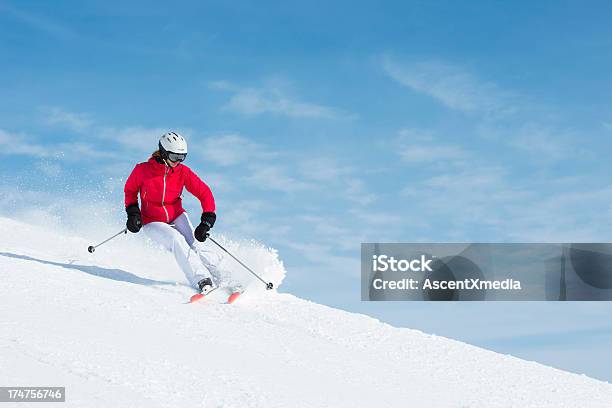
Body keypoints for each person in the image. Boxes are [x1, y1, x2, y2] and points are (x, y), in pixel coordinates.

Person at [123, 131, 219, 293]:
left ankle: (222, 275)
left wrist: (207, 220)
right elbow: (130, 192)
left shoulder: (183, 172)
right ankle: (201, 279)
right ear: (163, 153)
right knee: (176, 240)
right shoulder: (142, 170)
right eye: (174, 157)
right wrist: (133, 213)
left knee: (195, 244)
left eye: (182, 157)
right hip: (152, 220)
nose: (178, 162)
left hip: (176, 215)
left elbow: (204, 192)